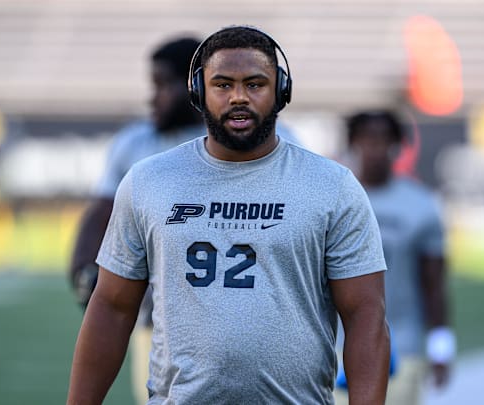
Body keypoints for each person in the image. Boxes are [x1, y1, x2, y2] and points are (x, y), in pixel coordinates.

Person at [67, 25, 390, 404]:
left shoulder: (332, 186)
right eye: (222, 84)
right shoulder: (148, 180)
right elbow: (113, 306)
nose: (239, 97)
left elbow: (365, 315)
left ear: (280, 91)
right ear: (199, 91)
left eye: (255, 84)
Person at [67, 35, 204, 404]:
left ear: (193, 85)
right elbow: (102, 210)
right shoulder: (136, 143)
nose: (152, 97)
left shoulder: (247, 142)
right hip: (155, 320)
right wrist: (83, 265)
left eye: (162, 85)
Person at [342, 110, 454, 405]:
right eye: (367, 140)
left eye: (384, 140)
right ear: (353, 143)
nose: (375, 149)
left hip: (402, 346)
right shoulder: (335, 198)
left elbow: (434, 283)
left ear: (397, 146)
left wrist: (441, 347)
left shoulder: (420, 205)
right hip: (338, 349)